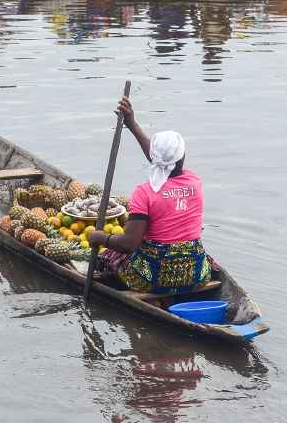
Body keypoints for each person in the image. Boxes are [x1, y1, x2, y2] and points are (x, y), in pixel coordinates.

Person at [88, 96, 213, 295]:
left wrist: (100, 237)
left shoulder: (145, 192)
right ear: (182, 158)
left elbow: (130, 244)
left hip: (153, 280)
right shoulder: (194, 182)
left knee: (110, 256)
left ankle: (151, 295)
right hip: (196, 275)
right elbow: (161, 161)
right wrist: (132, 124)